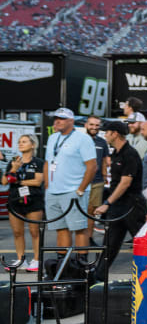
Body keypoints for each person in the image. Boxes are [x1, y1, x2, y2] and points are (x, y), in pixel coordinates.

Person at [95, 119, 147, 282]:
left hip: (132, 205)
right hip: (117, 205)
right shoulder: (115, 153)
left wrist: (107, 203)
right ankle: (97, 278)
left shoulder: (129, 154)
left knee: (142, 242)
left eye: (107, 132)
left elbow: (125, 182)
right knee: (109, 244)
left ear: (115, 134)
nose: (105, 135)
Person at [43, 107, 98, 262]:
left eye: (61, 119)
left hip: (73, 190)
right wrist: (47, 185)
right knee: (60, 229)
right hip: (53, 191)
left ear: (71, 121)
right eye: (56, 118)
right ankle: (63, 263)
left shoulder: (83, 138)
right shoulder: (53, 138)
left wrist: (81, 189)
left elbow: (92, 166)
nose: (57, 121)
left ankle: (82, 263)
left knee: (79, 228)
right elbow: (47, 162)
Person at [7, 134, 45, 271]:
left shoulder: (39, 162)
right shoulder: (14, 161)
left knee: (35, 232)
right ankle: (20, 259)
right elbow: (5, 180)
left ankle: (37, 260)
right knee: (17, 232)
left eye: (24, 141)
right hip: (15, 200)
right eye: (19, 142)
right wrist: (14, 169)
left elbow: (37, 181)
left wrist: (17, 181)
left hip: (33, 200)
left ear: (33, 144)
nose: (20, 144)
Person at [83, 115, 109, 245]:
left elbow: (104, 161)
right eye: (91, 124)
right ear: (86, 125)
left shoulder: (102, 142)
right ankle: (80, 240)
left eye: (97, 125)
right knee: (79, 212)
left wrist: (105, 177)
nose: (94, 127)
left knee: (92, 212)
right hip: (80, 182)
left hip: (97, 182)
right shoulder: (79, 140)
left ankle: (89, 238)